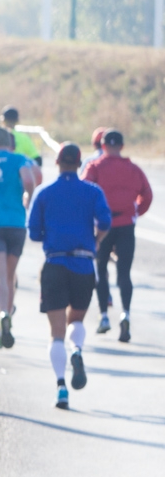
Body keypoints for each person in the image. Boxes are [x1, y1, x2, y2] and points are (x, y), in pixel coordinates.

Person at [29, 143, 112, 410]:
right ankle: (77, 350)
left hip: (54, 262)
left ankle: (61, 387)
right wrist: (96, 242)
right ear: (79, 163)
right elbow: (106, 222)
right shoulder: (93, 191)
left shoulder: (44, 193)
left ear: (57, 162)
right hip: (84, 264)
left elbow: (33, 233)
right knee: (76, 319)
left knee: (56, 332)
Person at [82, 128, 152, 341]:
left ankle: (104, 315)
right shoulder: (133, 169)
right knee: (124, 272)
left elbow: (84, 191)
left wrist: (91, 216)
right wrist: (135, 212)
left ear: (102, 146)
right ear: (121, 146)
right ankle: (126, 314)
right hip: (125, 225)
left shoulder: (95, 167)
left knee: (101, 269)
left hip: (103, 225)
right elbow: (147, 195)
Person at [0, 126, 39, 350]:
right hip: (16, 223)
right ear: (9, 142)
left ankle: (2, 313)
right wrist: (27, 198)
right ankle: (4, 323)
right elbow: (30, 180)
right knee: (10, 276)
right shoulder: (19, 159)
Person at [0, 106, 45, 176]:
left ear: (2, 120)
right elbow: (37, 160)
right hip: (16, 179)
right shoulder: (24, 138)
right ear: (17, 121)